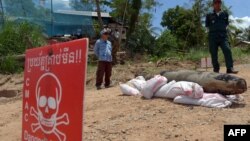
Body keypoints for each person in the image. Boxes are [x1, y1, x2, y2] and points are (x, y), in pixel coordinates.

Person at [205, 0, 238, 74]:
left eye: (219, 2)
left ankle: (229, 68)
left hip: (223, 36)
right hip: (213, 36)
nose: (217, 4)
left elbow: (226, 24)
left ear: (221, 4)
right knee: (213, 53)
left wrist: (222, 30)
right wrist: (210, 33)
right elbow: (207, 26)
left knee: (227, 50)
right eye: (215, 2)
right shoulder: (209, 14)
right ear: (213, 4)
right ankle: (216, 69)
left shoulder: (225, 14)